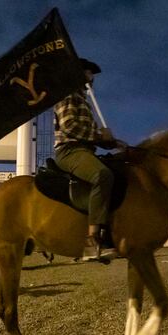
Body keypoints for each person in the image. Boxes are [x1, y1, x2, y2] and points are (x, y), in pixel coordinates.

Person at [53, 58, 125, 261]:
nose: (91, 78)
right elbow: (70, 127)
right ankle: (91, 239)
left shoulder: (83, 100)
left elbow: (91, 135)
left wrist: (115, 143)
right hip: (69, 151)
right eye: (87, 73)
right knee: (101, 174)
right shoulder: (67, 95)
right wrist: (100, 136)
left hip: (85, 150)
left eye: (91, 74)